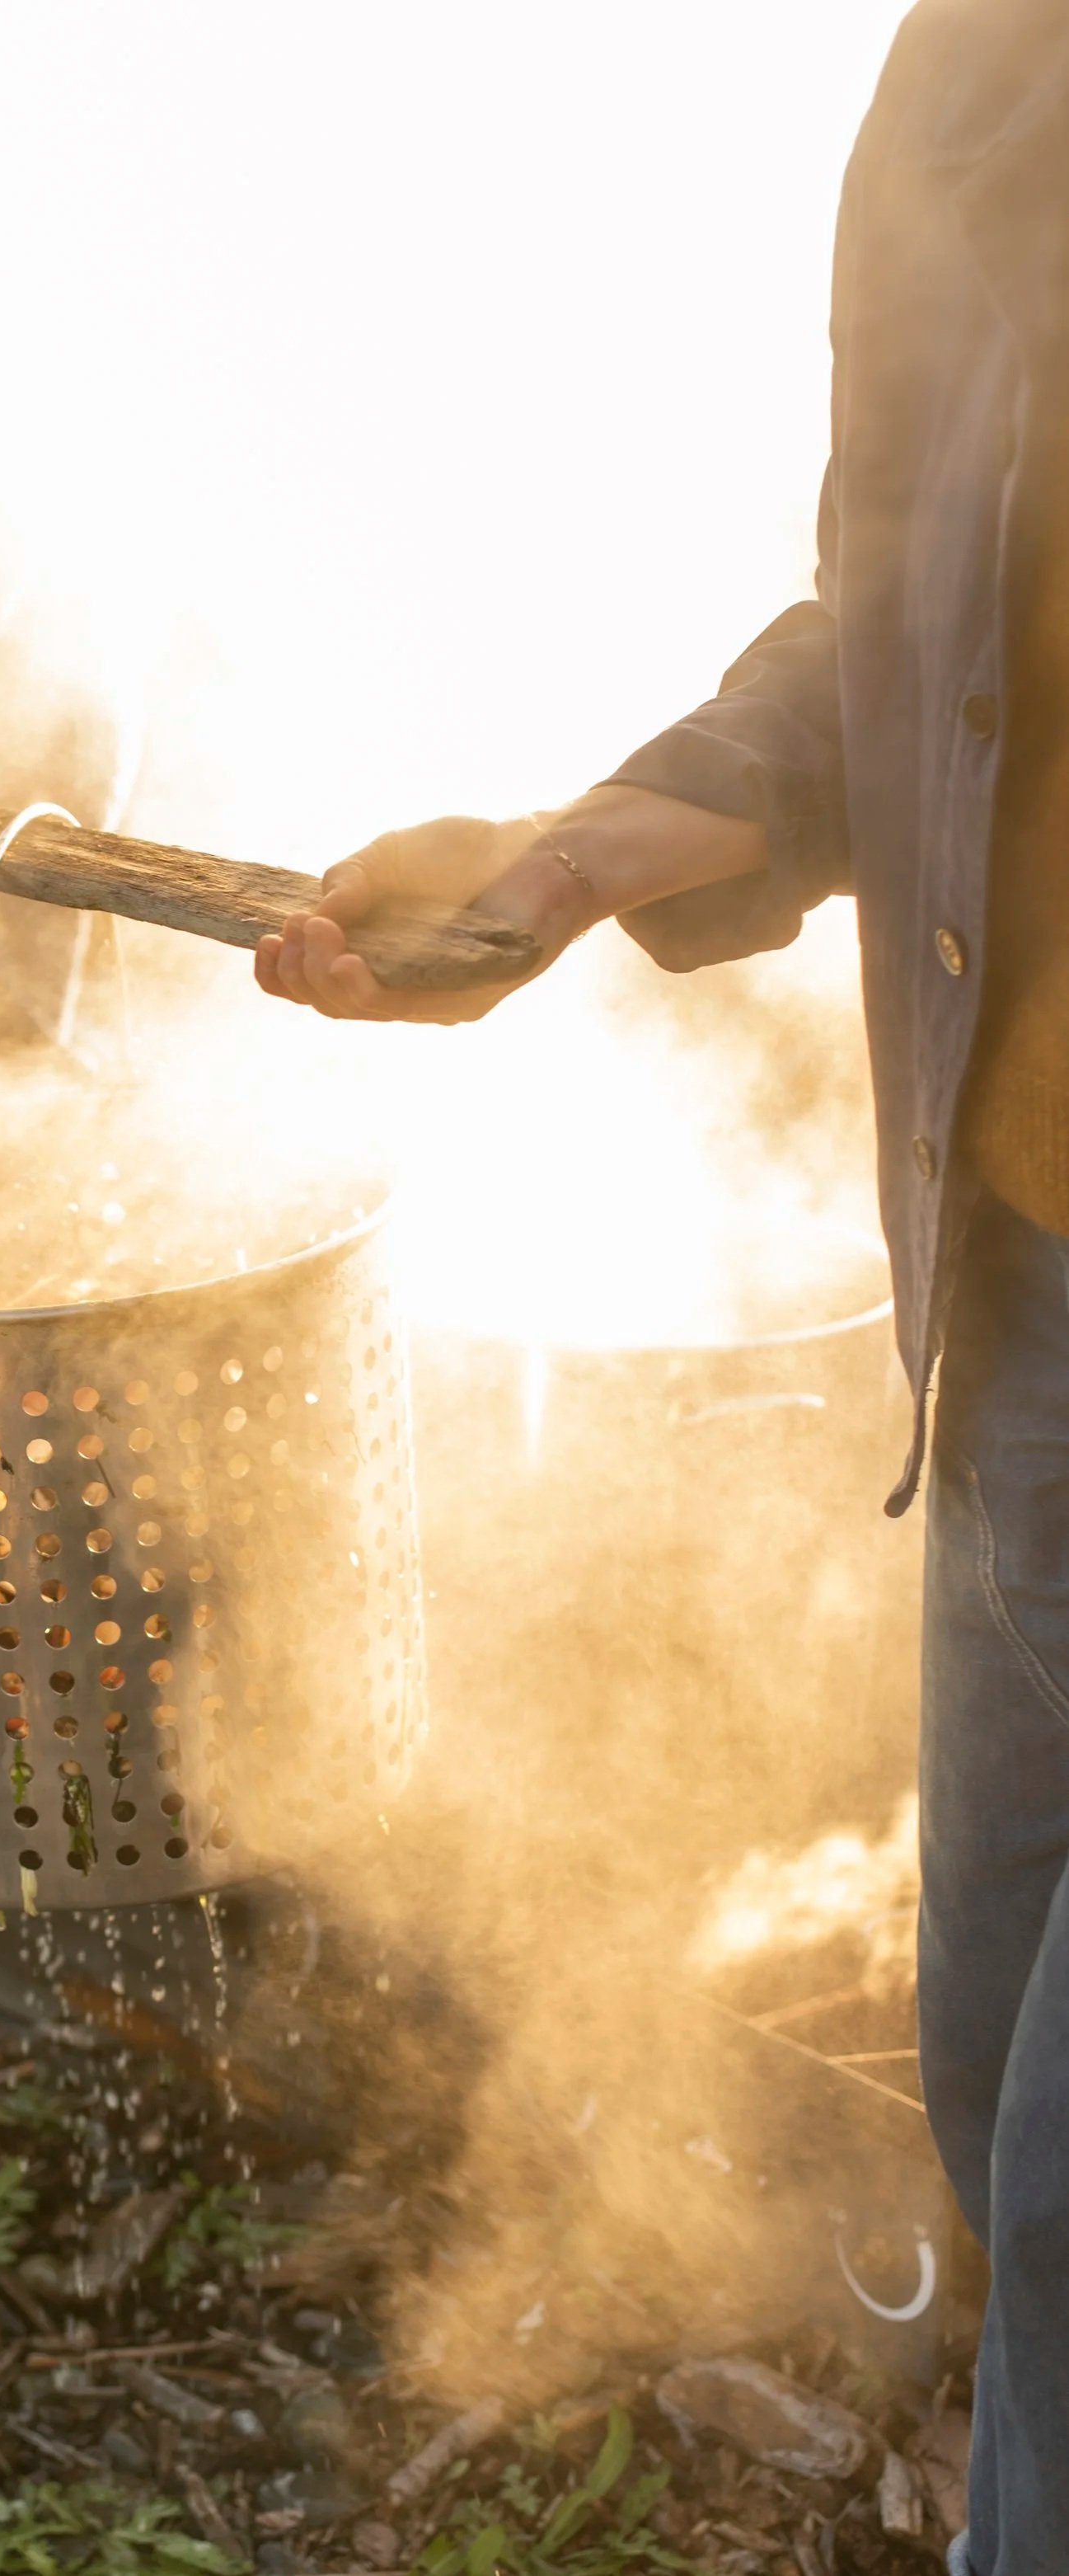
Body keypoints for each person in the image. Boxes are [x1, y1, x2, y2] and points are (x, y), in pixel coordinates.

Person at [259, 2, 1067, 2565]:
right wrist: (594, 849)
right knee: (978, 2072)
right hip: (1027, 1269)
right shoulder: (978, 70)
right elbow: (909, 621)